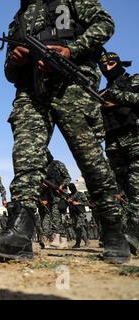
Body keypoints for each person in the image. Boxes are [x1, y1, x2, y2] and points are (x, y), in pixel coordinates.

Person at [0, 0, 131, 264]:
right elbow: (9, 73)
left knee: (90, 160)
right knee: (26, 159)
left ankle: (115, 233)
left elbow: (105, 24)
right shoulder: (19, 17)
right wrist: (16, 59)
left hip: (72, 87)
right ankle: (19, 236)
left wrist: (71, 49)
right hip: (31, 92)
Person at [99, 52, 139, 255]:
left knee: (136, 187)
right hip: (113, 144)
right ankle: (126, 235)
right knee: (122, 192)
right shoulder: (102, 92)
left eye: (111, 64)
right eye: (103, 66)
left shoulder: (134, 80)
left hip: (134, 139)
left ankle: (134, 235)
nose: (107, 68)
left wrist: (116, 98)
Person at [45, 153, 71, 249]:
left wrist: (61, 186)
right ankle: (63, 241)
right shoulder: (44, 169)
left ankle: (59, 239)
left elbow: (68, 177)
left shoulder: (58, 164)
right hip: (51, 195)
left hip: (61, 195)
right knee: (56, 217)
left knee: (58, 217)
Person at [68, 183, 90, 248]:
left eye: (72, 187)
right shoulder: (69, 195)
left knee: (79, 227)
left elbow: (87, 203)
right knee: (77, 228)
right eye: (70, 188)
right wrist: (68, 201)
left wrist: (78, 203)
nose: (72, 189)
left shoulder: (81, 194)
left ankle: (78, 243)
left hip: (80, 213)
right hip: (73, 214)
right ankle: (86, 241)